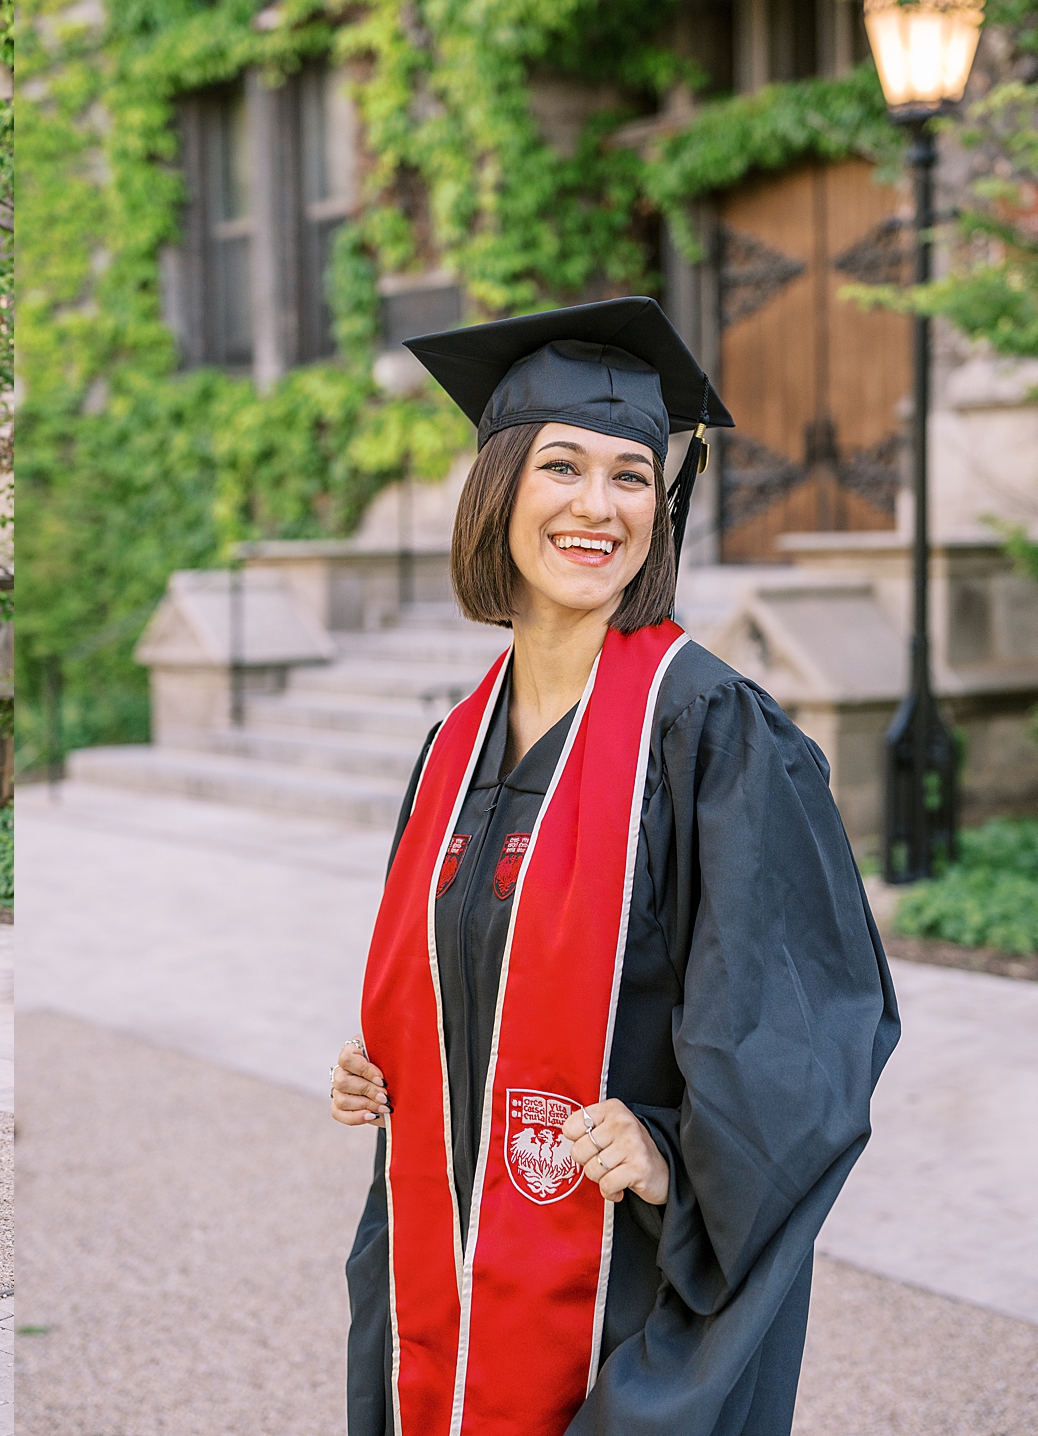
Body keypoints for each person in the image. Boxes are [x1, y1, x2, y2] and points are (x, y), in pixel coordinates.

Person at [329, 298, 899, 1436]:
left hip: (626, 1293)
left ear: (660, 507)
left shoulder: (712, 735)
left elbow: (804, 1029)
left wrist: (671, 1150)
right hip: (451, 1272)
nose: (598, 506)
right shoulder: (453, 747)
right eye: (562, 467)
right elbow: (484, 969)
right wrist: (403, 1058)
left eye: (631, 476)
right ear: (498, 491)